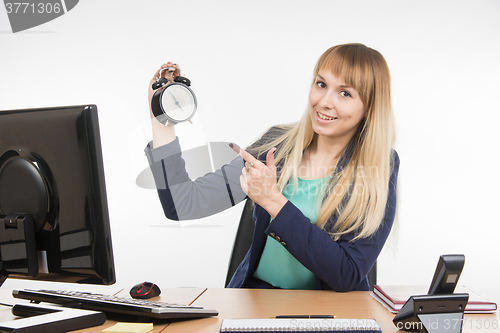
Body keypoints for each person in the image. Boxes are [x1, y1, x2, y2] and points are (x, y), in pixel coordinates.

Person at [144, 43, 400, 291]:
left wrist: (273, 201)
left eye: (345, 93)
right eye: (321, 84)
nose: (324, 102)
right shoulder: (276, 145)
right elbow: (182, 203)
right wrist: (162, 120)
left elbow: (347, 274)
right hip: (256, 302)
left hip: (332, 313)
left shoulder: (380, 165)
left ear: (369, 107)